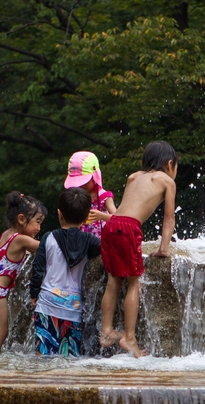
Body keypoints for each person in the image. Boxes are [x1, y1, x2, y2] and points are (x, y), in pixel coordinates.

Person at [99, 140, 178, 358]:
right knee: (134, 282)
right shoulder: (166, 181)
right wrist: (163, 248)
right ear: (170, 164)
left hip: (111, 226)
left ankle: (106, 332)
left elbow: (125, 208)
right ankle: (129, 337)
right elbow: (168, 217)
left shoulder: (133, 176)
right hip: (128, 229)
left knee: (113, 280)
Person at [0, 191, 47, 354]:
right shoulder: (20, 239)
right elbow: (48, 247)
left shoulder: (6, 234)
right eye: (38, 222)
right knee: (0, 334)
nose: (39, 228)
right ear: (21, 219)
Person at [30, 188, 101, 357]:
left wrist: (34, 293)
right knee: (69, 355)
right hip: (73, 307)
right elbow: (110, 248)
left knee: (42, 354)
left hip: (47, 303)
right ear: (86, 218)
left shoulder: (49, 237)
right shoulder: (90, 241)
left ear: (59, 214)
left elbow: (38, 268)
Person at [64, 151, 116, 239]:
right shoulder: (75, 197)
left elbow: (119, 219)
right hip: (81, 242)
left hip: (101, 243)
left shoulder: (104, 197)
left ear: (95, 175)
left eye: (84, 181)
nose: (80, 185)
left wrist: (102, 216)